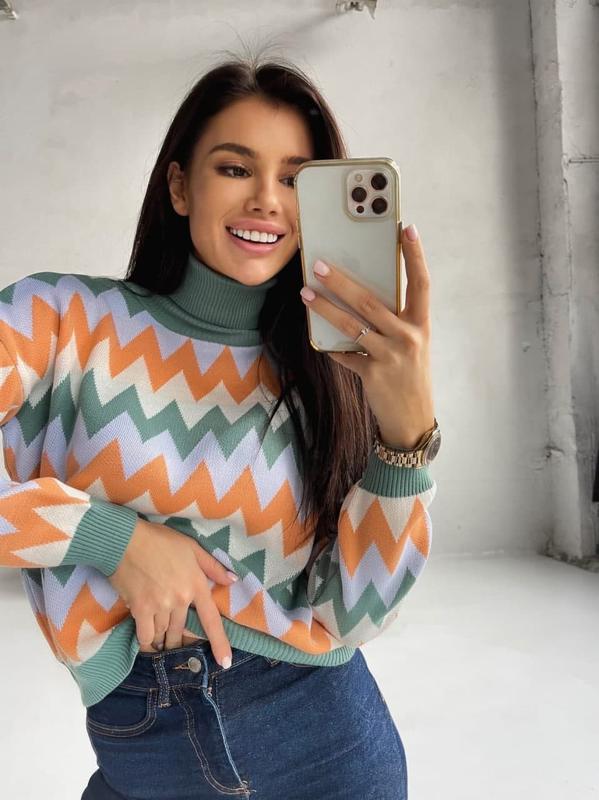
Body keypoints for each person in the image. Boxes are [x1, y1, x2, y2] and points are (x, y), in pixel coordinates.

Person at [0, 53, 439, 799]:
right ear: (180, 186)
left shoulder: (335, 368)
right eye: (236, 169)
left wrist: (407, 438)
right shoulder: (61, 317)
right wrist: (110, 538)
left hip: (330, 734)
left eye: (296, 180)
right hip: (151, 727)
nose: (267, 199)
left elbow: (354, 615)